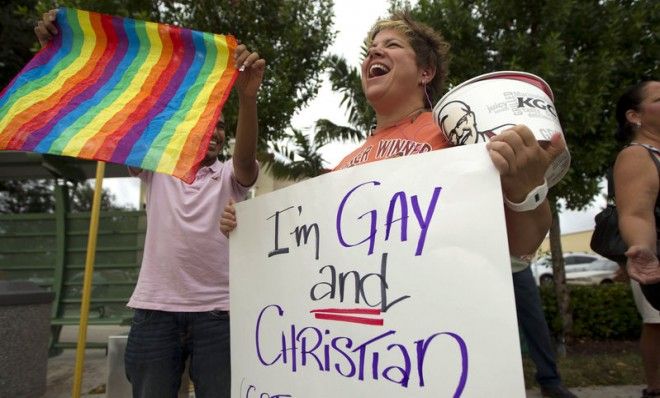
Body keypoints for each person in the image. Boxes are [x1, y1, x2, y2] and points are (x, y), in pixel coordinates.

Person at [221, 11, 574, 398]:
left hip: (436, 362)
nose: (375, 51)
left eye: (391, 45)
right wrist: (249, 230)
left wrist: (527, 192)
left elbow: (520, 249)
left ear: (425, 71)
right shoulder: (342, 169)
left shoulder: (461, 139)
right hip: (362, 362)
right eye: (372, 48)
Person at [37, 9, 266, 398]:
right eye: (206, 123)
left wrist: (247, 98)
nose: (213, 131)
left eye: (221, 127)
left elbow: (245, 161)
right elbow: (118, 114)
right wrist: (61, 53)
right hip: (155, 312)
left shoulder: (230, 174)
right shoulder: (157, 164)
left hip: (219, 315)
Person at [613, 80, 660, 398]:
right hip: (654, 262)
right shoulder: (636, 156)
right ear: (635, 116)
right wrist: (642, 246)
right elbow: (635, 213)